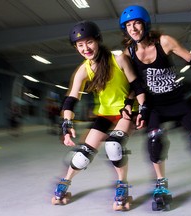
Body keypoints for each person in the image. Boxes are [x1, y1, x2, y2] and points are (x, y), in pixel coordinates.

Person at [119, 5, 191, 209]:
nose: (133, 28)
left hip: (177, 101)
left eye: (136, 23)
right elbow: (134, 84)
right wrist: (131, 104)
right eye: (128, 25)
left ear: (145, 24)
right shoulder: (128, 53)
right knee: (154, 141)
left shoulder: (164, 41)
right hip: (154, 105)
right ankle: (161, 183)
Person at [51, 20, 147, 210]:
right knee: (82, 155)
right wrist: (67, 124)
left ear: (98, 41)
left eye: (89, 42)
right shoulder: (84, 69)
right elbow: (71, 98)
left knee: (113, 146)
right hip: (105, 114)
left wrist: (142, 108)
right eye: (80, 45)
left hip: (125, 111)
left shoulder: (118, 59)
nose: (85, 48)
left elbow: (137, 85)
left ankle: (122, 186)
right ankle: (65, 182)